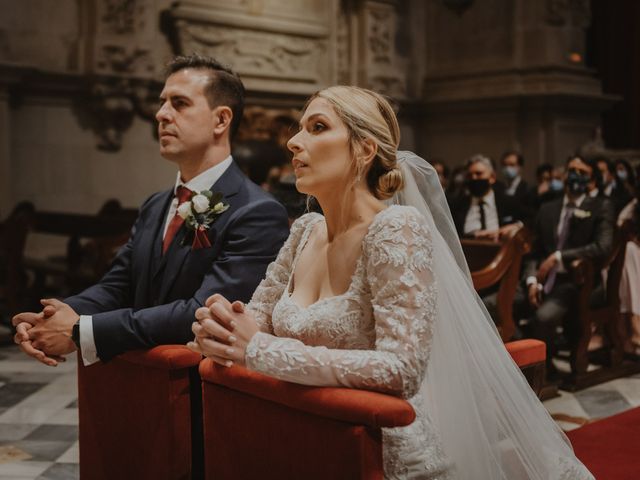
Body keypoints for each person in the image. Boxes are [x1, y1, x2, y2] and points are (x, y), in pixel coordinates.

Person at [188, 86, 593, 479]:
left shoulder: (395, 228)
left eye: (316, 127)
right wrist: (223, 325)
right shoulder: (305, 230)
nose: (294, 142)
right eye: (299, 128)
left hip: (376, 448)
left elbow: (401, 369)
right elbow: (258, 314)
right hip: (302, 434)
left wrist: (258, 350)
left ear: (364, 149)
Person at [12, 54, 289, 366]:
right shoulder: (156, 205)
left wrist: (81, 330)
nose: (161, 114)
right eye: (162, 102)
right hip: (139, 383)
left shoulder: (257, 212)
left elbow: (204, 312)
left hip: (201, 388)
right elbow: (119, 285)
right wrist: (56, 315)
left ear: (221, 120)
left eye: (179, 103)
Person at [522, 155, 614, 377]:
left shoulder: (601, 206)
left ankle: (542, 371)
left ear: (592, 182)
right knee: (500, 306)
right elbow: (535, 252)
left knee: (543, 317)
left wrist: (560, 256)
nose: (576, 176)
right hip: (543, 278)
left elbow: (603, 247)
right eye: (572, 170)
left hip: (576, 281)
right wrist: (532, 280)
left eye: (583, 173)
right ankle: (527, 365)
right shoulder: (548, 208)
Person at [449, 154, 527, 240]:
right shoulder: (457, 205)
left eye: (479, 174)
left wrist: (516, 226)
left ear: (492, 177)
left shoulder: (508, 201)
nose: (474, 178)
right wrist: (474, 235)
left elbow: (529, 220)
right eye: (469, 176)